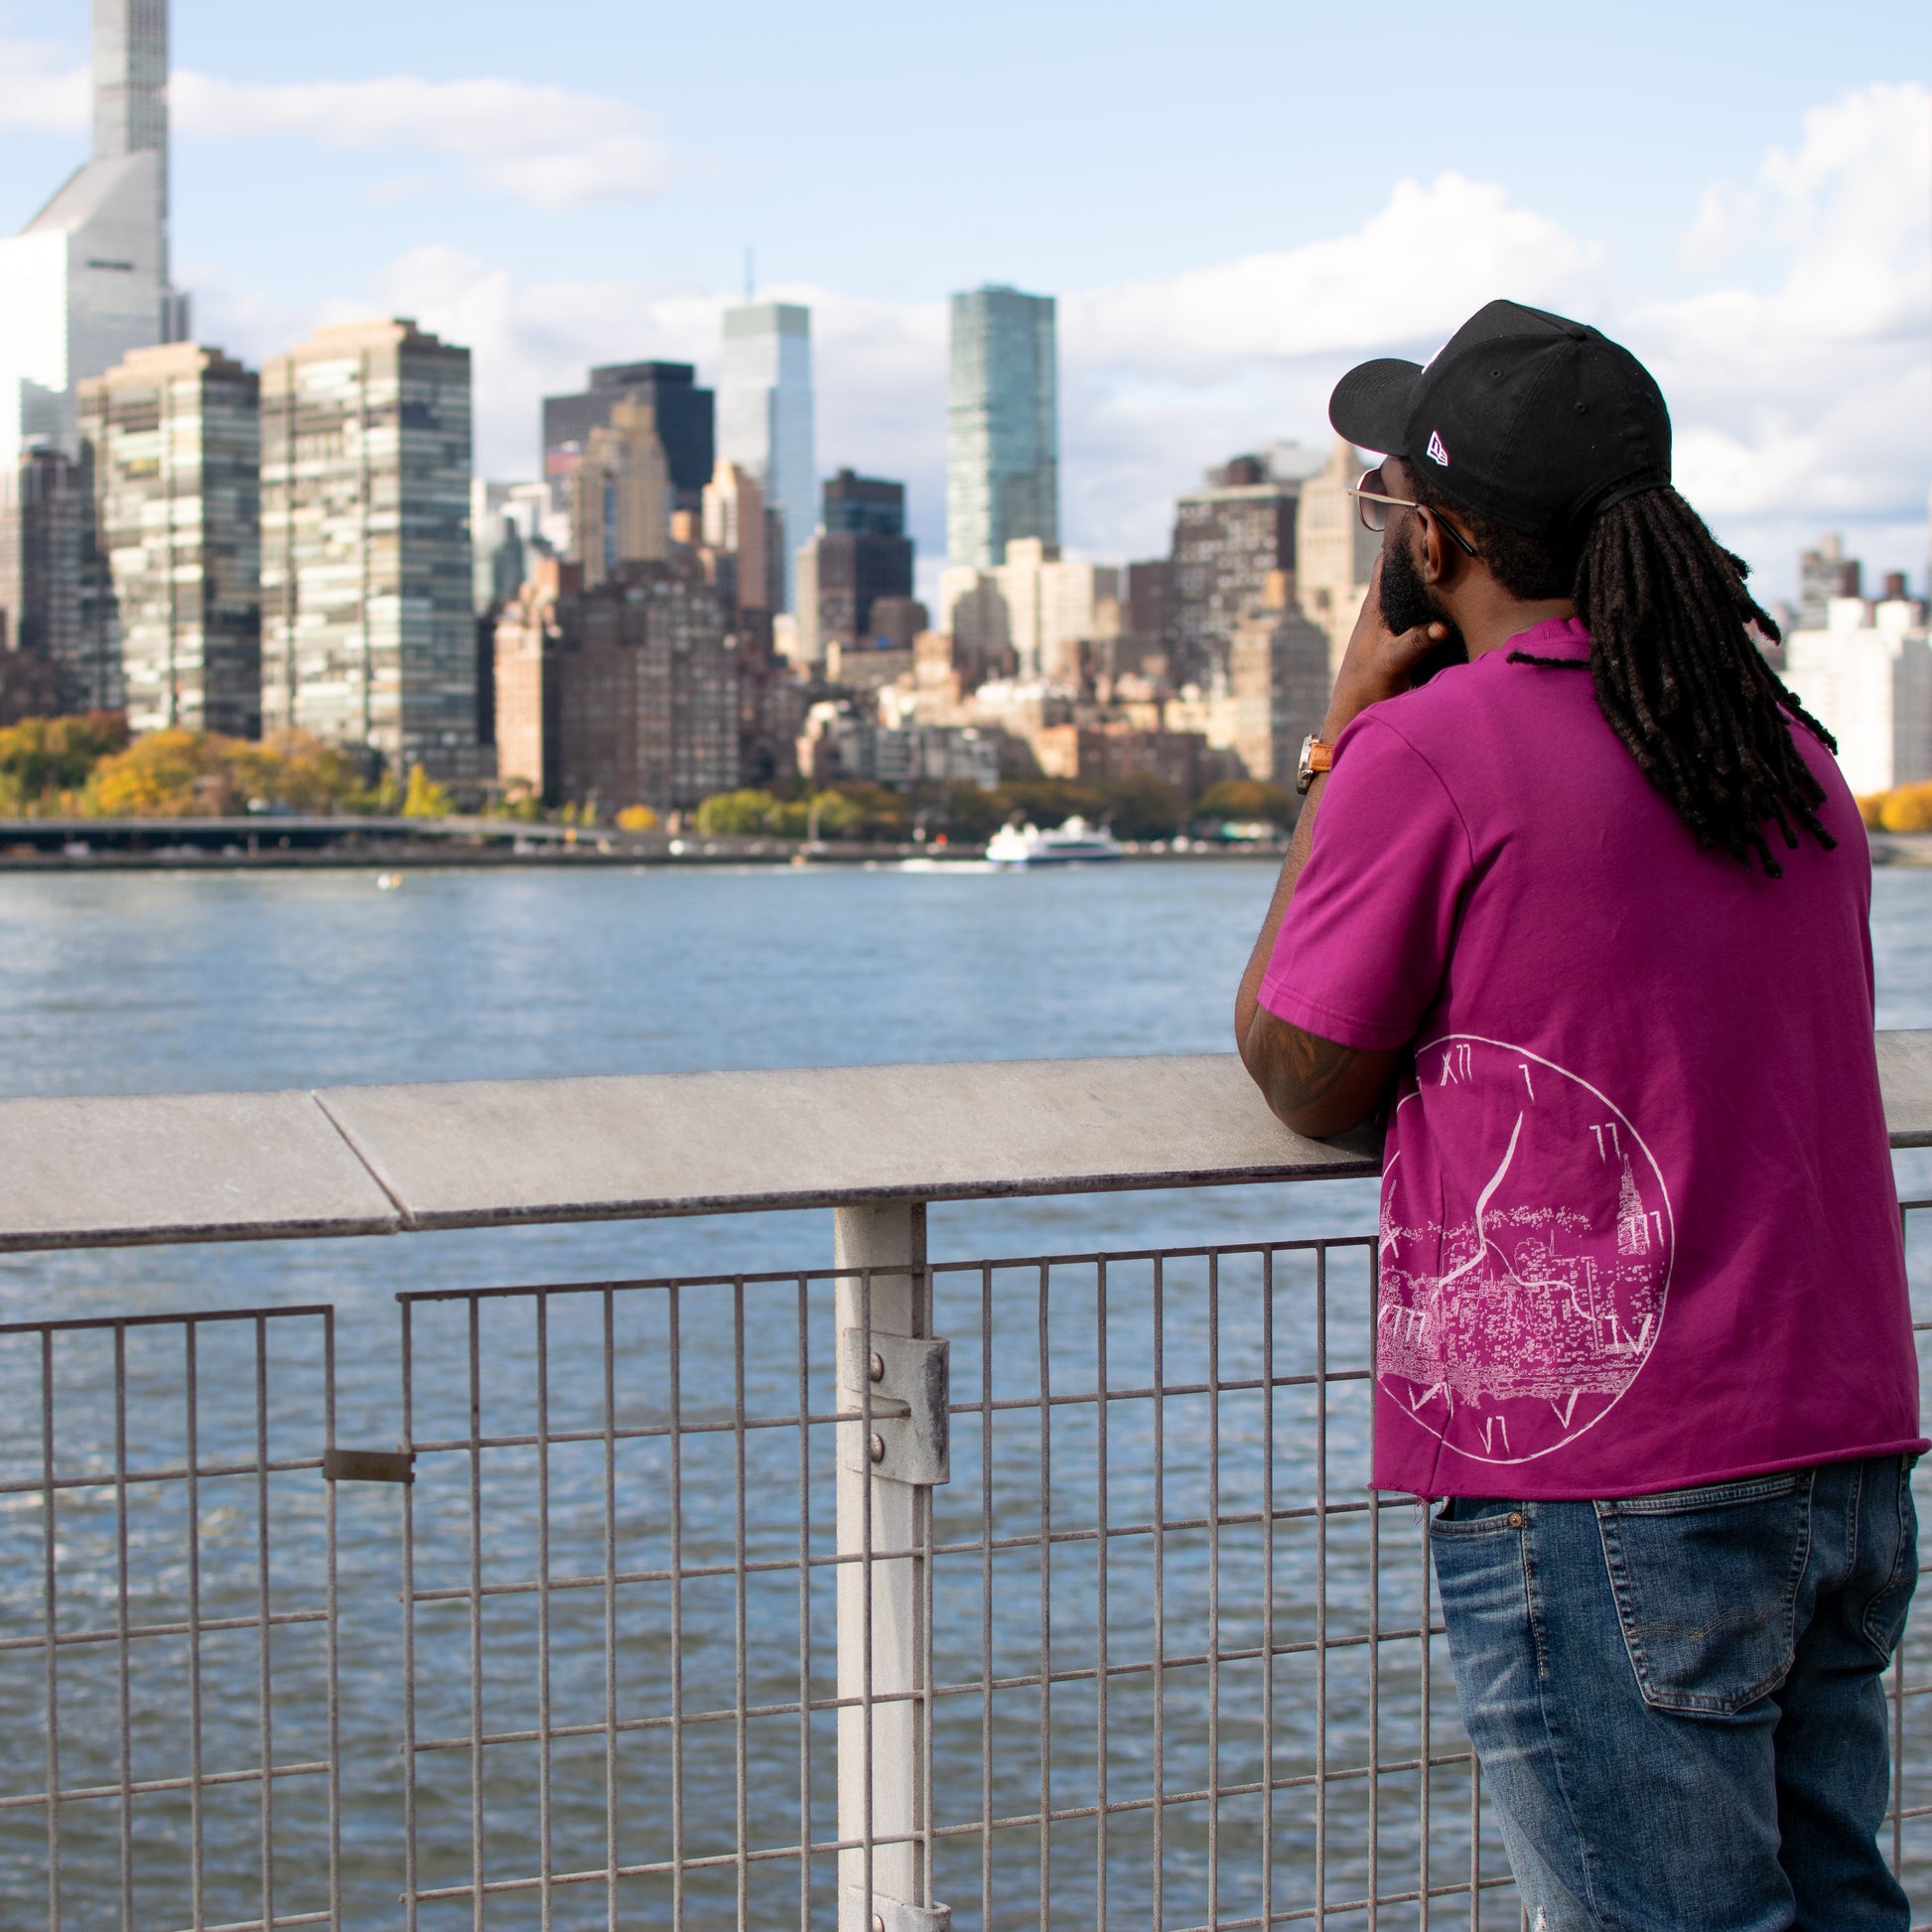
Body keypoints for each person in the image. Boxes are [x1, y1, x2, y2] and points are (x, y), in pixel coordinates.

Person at [1234, 299, 1924, 1929]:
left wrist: (1338, 734)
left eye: (1385, 504)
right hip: (1835, 1448)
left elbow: (1301, 1069)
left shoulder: (1431, 750)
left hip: (1605, 1478)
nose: (1380, 533)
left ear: (1447, 534)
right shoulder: (1774, 743)